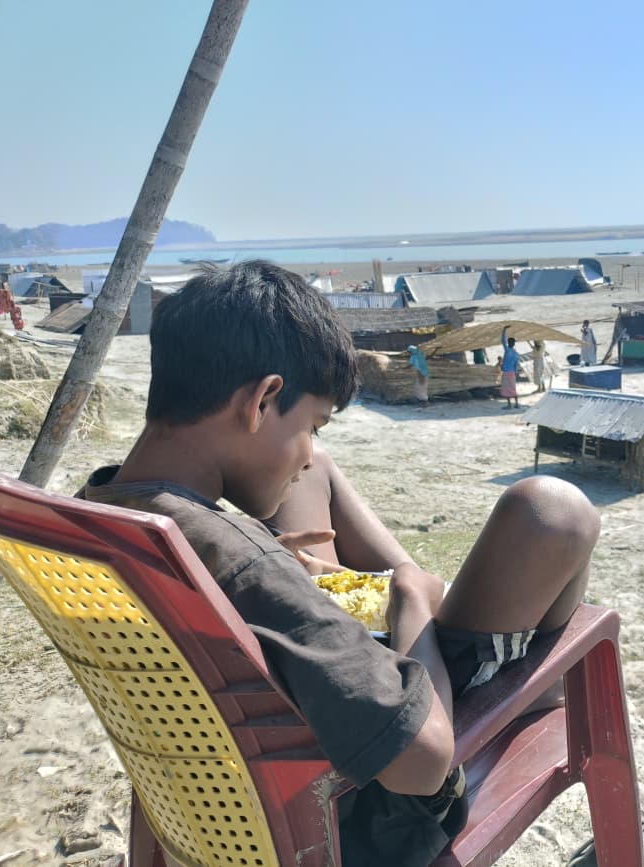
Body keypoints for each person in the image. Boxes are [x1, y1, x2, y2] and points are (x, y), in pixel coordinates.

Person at [78, 262, 601, 867]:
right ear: (262, 400)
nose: (308, 452)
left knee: (317, 477)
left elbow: (249, 574)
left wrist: (272, 562)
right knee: (554, 511)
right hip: (368, 813)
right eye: (312, 426)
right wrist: (410, 604)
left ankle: (479, 638)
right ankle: (532, 692)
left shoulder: (99, 509)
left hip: (224, 792)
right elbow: (423, 765)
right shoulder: (246, 566)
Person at [499, 325, 521, 408]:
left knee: (506, 389)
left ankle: (509, 405)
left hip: (506, 373)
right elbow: (516, 366)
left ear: (508, 343)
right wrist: (516, 373)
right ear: (514, 344)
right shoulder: (516, 354)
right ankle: (516, 404)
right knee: (513, 388)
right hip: (512, 373)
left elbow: (503, 340)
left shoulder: (507, 350)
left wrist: (504, 330)